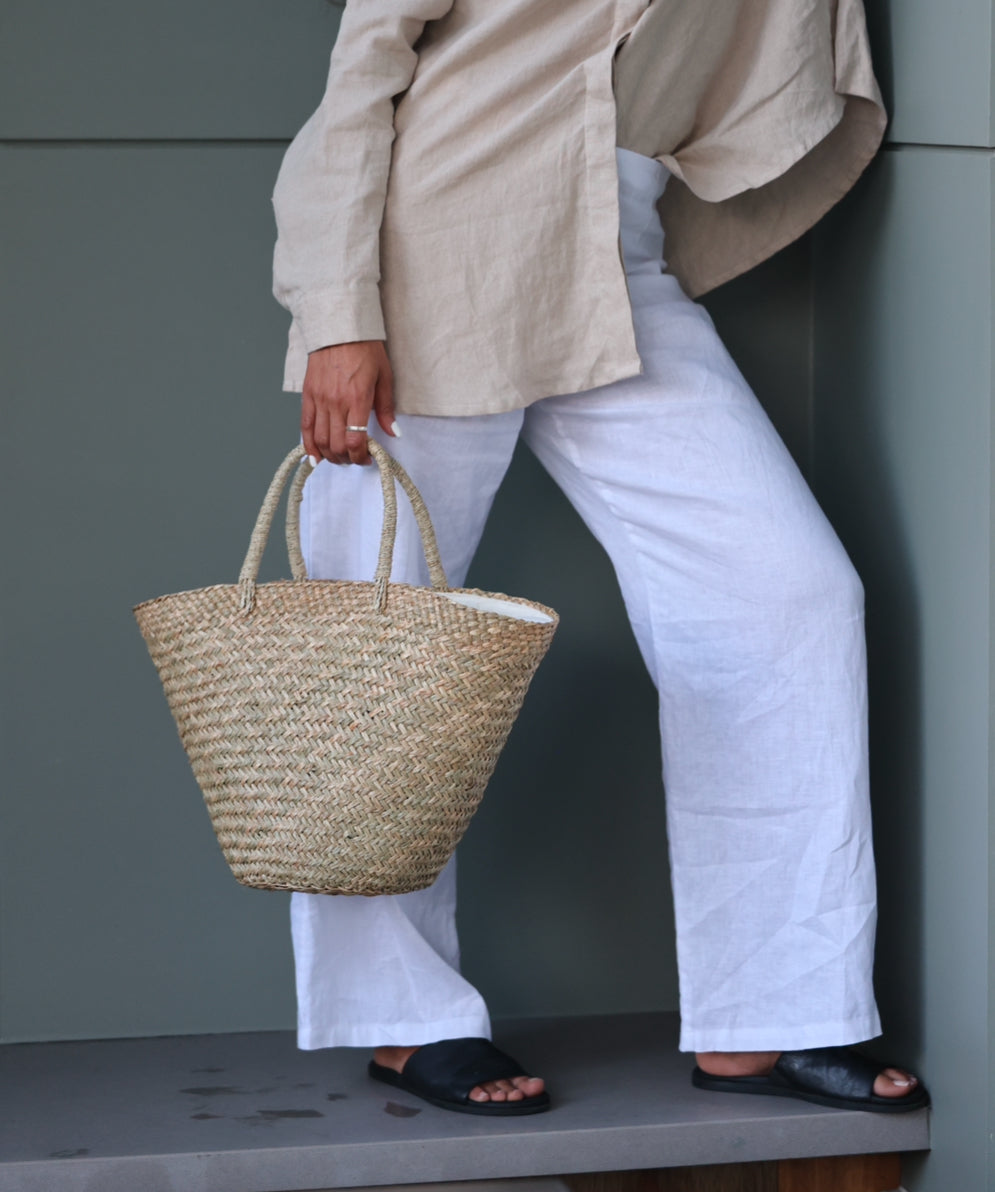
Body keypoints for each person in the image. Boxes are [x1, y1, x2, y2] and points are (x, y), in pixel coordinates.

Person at [271, 0, 928, 1117]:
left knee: (786, 598)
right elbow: (364, 65)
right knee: (372, 638)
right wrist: (337, 308)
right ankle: (399, 1017)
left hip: (617, 249)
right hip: (440, 245)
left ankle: (770, 1016)